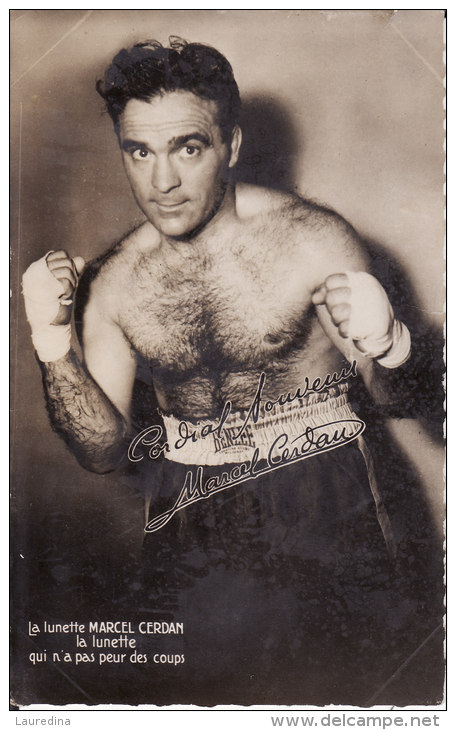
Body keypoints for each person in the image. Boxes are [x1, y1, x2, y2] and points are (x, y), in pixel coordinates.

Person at [21, 39, 441, 705]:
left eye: (187, 147)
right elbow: (102, 450)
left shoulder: (311, 240)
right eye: (139, 151)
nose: (161, 182)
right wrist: (52, 344)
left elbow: (409, 403)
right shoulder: (117, 284)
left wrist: (391, 345)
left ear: (232, 145)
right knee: (194, 697)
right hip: (191, 515)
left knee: (344, 690)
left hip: (328, 498)